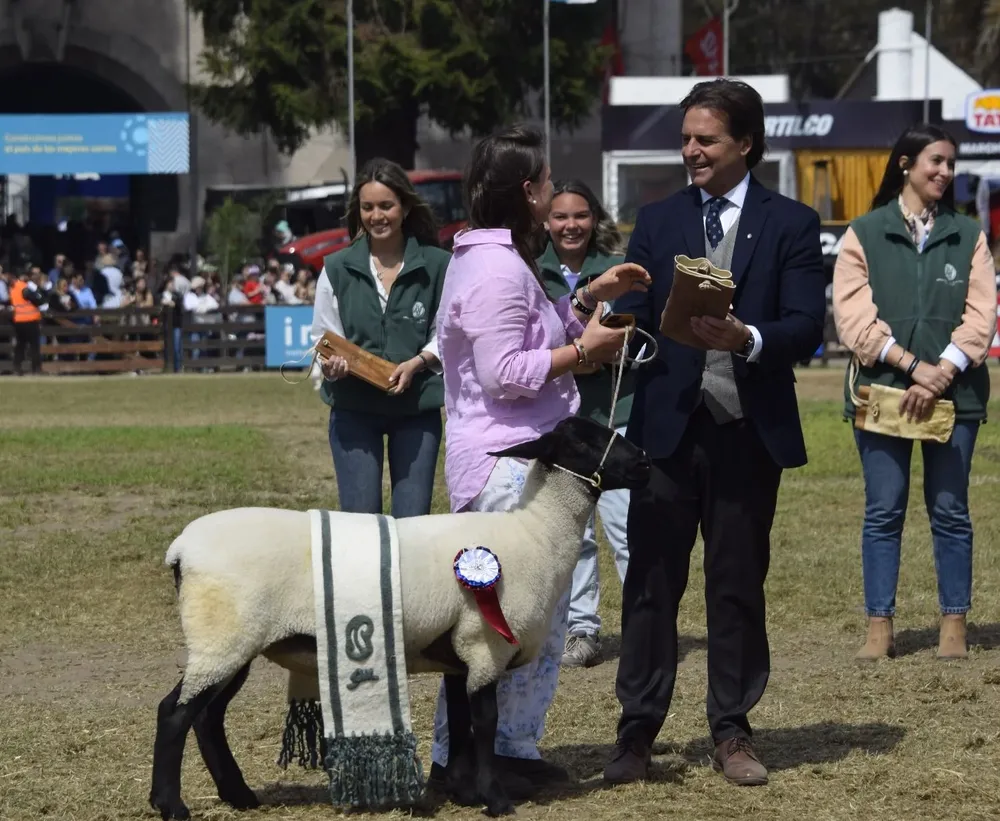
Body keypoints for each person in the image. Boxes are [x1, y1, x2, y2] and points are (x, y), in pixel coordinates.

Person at [604, 78, 826, 787]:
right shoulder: (658, 218)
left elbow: (805, 327)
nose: (691, 150)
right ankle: (636, 733)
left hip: (745, 433)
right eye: (687, 138)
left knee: (735, 586)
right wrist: (619, 317)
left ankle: (732, 729)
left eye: (706, 139)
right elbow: (633, 312)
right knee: (650, 584)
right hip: (665, 432)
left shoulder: (790, 223)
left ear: (745, 144)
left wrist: (747, 336)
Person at [430, 124, 651, 791]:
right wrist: (589, 352)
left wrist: (585, 298)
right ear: (527, 192)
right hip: (509, 464)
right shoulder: (497, 267)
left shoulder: (492, 258)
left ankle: (473, 755)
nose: (556, 194)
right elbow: (504, 371)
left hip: (509, 457)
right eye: (548, 183)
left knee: (497, 623)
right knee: (515, 623)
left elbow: (529, 331)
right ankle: (496, 753)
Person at [832, 124, 997, 662]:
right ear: (905, 163)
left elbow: (982, 313)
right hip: (883, 392)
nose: (945, 172)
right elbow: (853, 317)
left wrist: (942, 371)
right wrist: (911, 366)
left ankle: (954, 625)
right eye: (935, 161)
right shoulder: (863, 232)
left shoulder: (969, 234)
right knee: (884, 510)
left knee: (950, 510)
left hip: (956, 396)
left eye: (951, 163)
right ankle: (879, 628)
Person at [311, 158, 451, 518]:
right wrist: (332, 368)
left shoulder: (439, 265)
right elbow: (324, 337)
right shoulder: (336, 267)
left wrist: (419, 361)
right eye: (368, 207)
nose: (377, 216)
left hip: (416, 411)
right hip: (353, 410)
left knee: (413, 525)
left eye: (386, 205)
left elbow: (447, 332)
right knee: (360, 527)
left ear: (404, 207)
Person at [537, 179, 633, 668]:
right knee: (576, 534)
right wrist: (572, 358)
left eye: (579, 216)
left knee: (625, 527)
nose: (570, 225)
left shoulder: (618, 272)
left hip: (616, 417)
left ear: (594, 220)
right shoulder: (530, 274)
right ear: (545, 223)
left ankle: (643, 625)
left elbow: (641, 339)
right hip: (561, 423)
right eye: (560, 217)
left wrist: (608, 356)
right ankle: (581, 629)